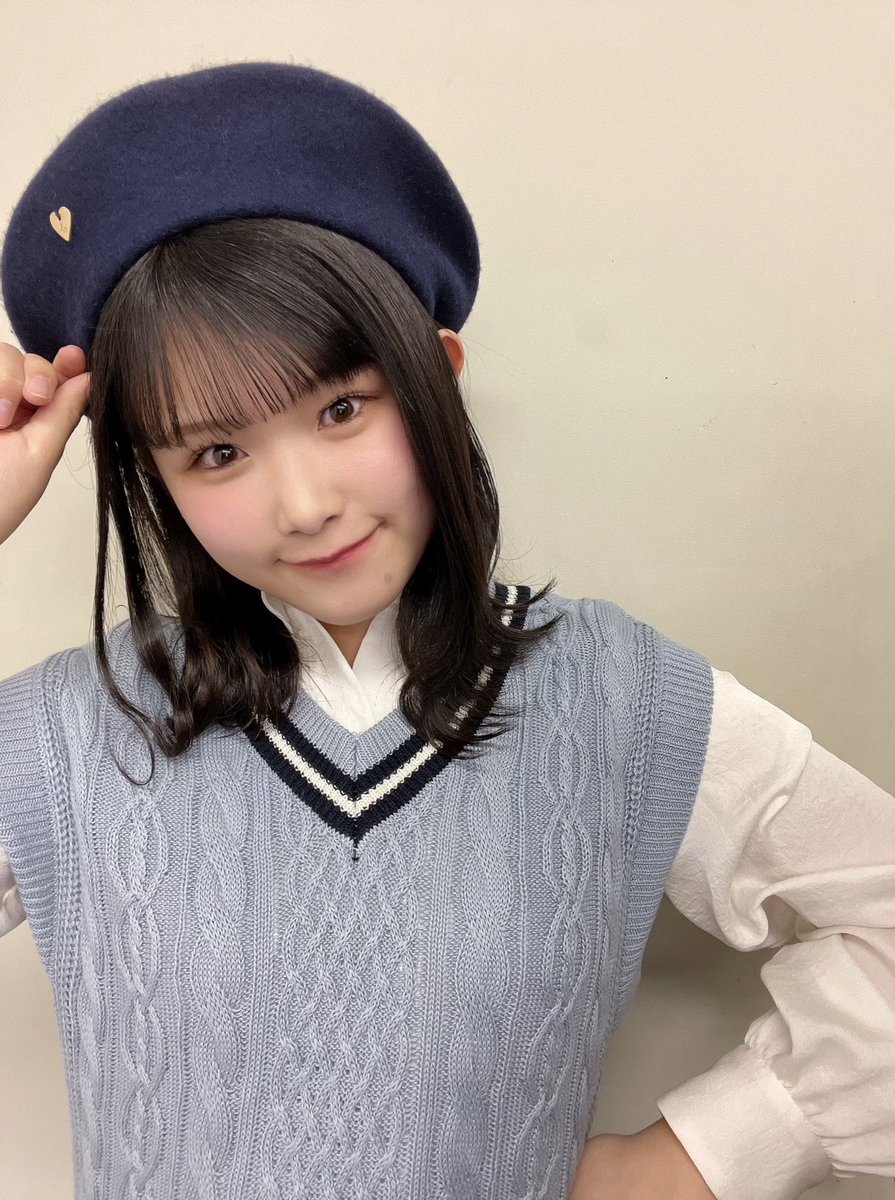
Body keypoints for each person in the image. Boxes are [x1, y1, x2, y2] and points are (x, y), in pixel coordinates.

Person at [0, 61, 891, 1200]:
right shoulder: (65, 735)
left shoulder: (617, 701)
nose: (304, 504)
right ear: (150, 475)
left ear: (437, 375)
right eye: (216, 451)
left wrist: (710, 1155)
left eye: (341, 408)